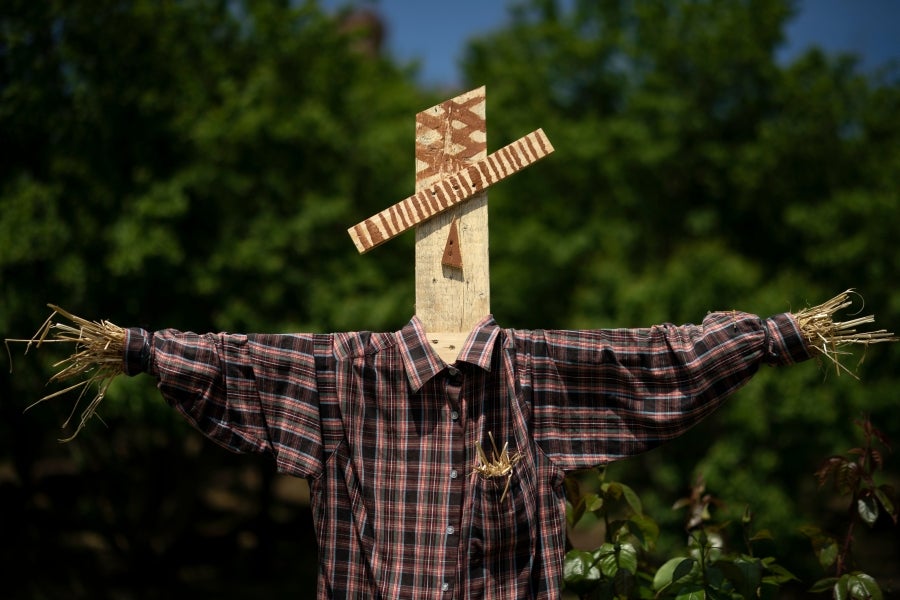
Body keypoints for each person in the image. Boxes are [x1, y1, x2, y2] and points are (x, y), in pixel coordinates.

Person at [121, 307, 812, 599]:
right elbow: (238, 364)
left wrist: (773, 337)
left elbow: (650, 364)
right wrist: (141, 350)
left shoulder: (533, 377)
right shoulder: (340, 376)